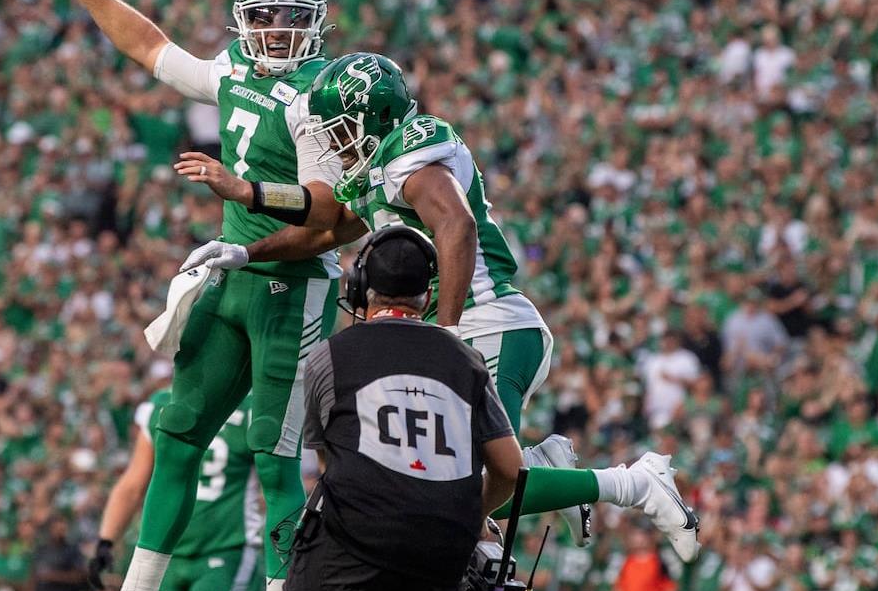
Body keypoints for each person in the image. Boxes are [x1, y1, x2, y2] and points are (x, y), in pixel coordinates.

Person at [178, 53, 701, 559]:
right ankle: (550, 471)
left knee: (461, 488)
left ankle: (634, 482)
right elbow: (324, 228)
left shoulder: (413, 150)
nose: (330, 142)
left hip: (485, 322)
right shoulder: (376, 169)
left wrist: (445, 334)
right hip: (475, 327)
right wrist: (248, 247)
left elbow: (457, 224)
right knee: (457, 503)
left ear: (373, 119)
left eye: (338, 129)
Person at [31, 0, 342, 591]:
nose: (275, 29)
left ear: (315, 21)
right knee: (174, 434)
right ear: (243, 21)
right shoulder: (234, 67)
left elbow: (331, 216)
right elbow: (150, 48)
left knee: (275, 454)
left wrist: (243, 190)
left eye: (289, 15)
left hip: (291, 287)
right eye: (263, 16)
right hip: (234, 273)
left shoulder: (324, 94)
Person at [267, 225, 524, 591]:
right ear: (429, 293)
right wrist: (473, 513)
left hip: (355, 533)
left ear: (361, 287)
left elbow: (330, 461)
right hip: (440, 544)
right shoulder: (469, 361)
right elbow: (511, 469)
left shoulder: (330, 354)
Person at [86, 389, 260, 591]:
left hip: (224, 548)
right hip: (167, 556)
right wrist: (106, 539)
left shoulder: (250, 408)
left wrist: (107, 540)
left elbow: (132, 485)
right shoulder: (164, 403)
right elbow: (134, 483)